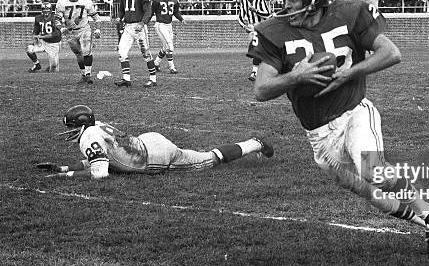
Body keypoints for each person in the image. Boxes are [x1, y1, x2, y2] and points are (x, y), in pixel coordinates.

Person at [249, 0, 429, 253]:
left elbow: (391, 53)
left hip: (354, 112)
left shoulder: (349, 13)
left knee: (372, 171)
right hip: (319, 136)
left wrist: (348, 74)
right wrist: (296, 76)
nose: (286, 5)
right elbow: (261, 89)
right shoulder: (274, 31)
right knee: (370, 191)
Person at [36, 105, 274, 180]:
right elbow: (99, 159)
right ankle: (255, 143)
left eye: (72, 126)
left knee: (209, 158)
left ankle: (255, 143)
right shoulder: (97, 129)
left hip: (154, 157)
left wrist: (63, 177)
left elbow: (100, 173)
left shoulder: (89, 136)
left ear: (81, 124)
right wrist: (64, 168)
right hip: (147, 141)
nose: (70, 132)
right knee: (202, 155)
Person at [114, 0, 156, 88]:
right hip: (127, 27)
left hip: (139, 28)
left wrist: (142, 23)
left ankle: (153, 79)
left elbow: (148, 11)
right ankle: (126, 79)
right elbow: (122, 9)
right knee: (122, 52)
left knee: (146, 54)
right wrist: (119, 17)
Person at [55, 0, 102, 84]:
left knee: (86, 50)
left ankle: (88, 75)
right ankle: (83, 74)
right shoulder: (61, 2)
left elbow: (96, 17)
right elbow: (56, 20)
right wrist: (61, 28)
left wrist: (97, 29)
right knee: (78, 54)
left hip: (84, 28)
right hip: (70, 32)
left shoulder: (85, 0)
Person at [237, 0, 271, 81]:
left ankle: (255, 72)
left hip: (263, 27)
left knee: (259, 50)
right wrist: (244, 26)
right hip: (252, 28)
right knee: (257, 50)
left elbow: (267, 14)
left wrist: (256, 10)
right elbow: (240, 17)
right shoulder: (243, 2)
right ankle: (257, 71)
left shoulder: (260, 1)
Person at [152, 0, 184, 74]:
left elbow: (176, 13)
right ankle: (172, 67)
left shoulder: (174, 1)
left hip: (169, 25)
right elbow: (151, 12)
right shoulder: (156, 1)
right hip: (160, 25)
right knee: (170, 46)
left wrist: (181, 19)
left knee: (165, 47)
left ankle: (156, 63)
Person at [27, 0, 62, 73]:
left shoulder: (55, 18)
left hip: (54, 44)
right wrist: (35, 39)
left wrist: (42, 37)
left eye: (47, 9)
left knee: (54, 69)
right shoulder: (38, 18)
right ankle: (36, 64)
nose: (46, 11)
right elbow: (35, 31)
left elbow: (56, 34)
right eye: (44, 9)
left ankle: (51, 65)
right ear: (42, 10)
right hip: (43, 42)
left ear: (51, 10)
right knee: (29, 49)